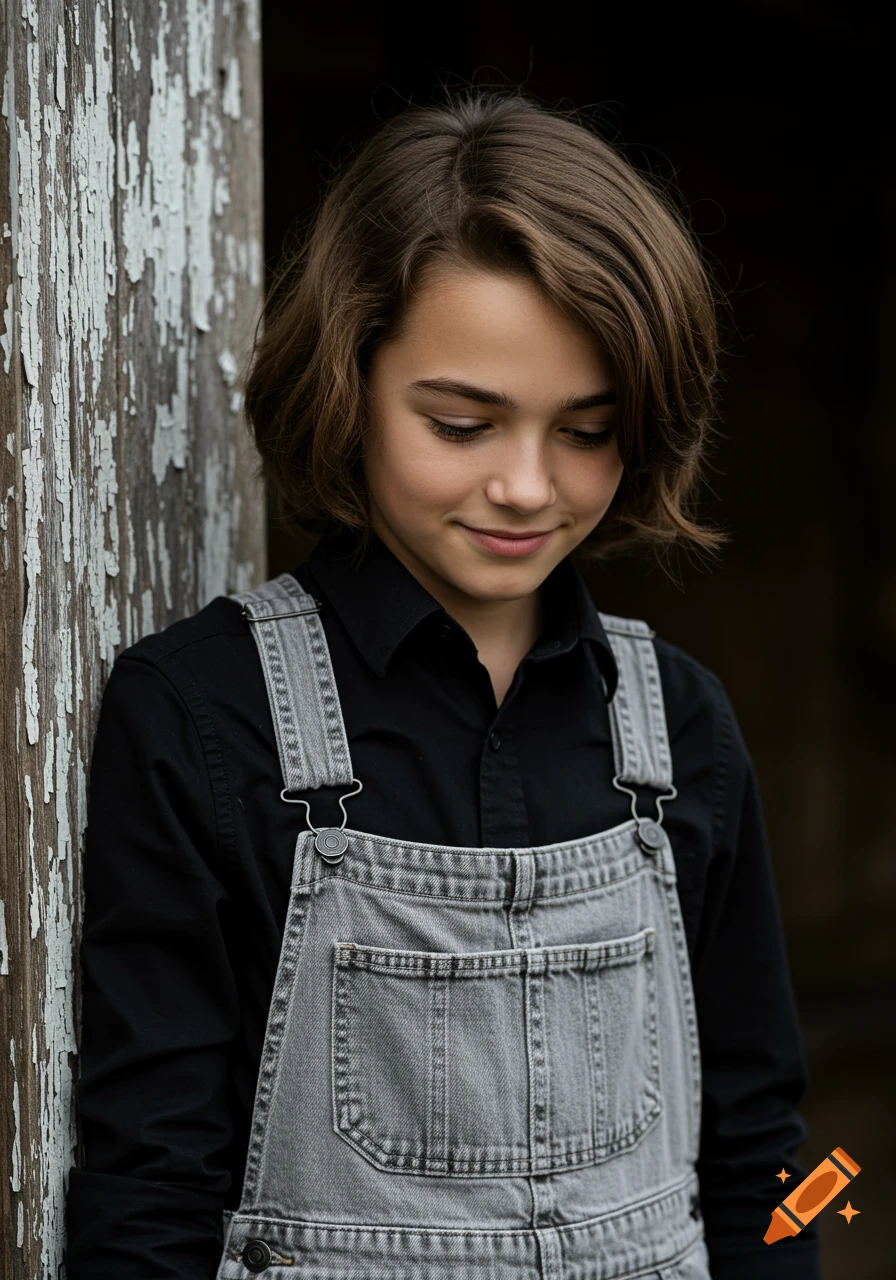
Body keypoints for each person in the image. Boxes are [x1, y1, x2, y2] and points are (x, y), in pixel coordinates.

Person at [65, 90, 819, 1279]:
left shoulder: (683, 727)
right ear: (348, 377)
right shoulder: (203, 715)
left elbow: (771, 1151)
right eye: (463, 422)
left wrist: (802, 1240)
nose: (525, 485)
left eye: (585, 428)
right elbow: (147, 1180)